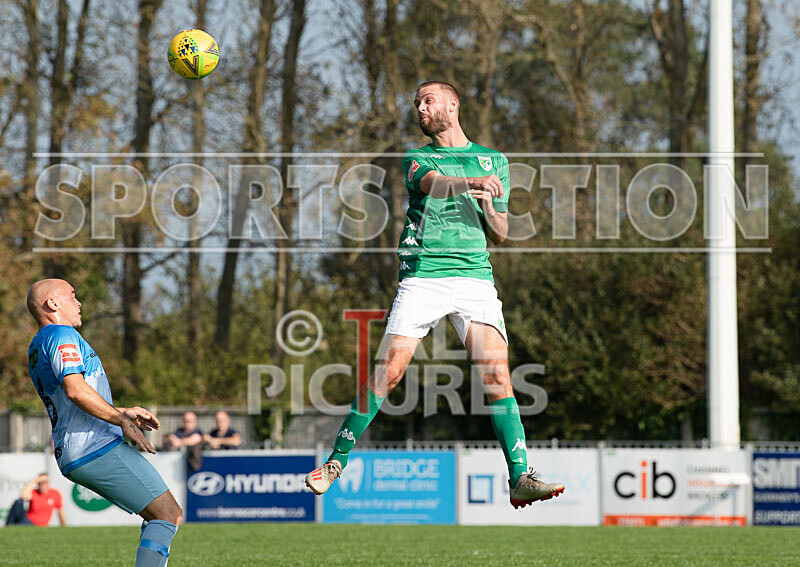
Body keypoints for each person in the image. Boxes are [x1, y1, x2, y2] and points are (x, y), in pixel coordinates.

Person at [305, 81, 565, 509]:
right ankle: (335, 462)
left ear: (452, 104)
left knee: (498, 377)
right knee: (388, 373)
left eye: (428, 101)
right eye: (417, 104)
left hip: (475, 278)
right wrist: (472, 183)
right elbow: (436, 184)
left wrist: (487, 204)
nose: (421, 108)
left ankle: (520, 477)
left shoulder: (494, 160)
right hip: (424, 275)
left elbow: (500, 233)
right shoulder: (417, 158)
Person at [26, 279, 181, 566]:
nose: (79, 302)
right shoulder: (61, 334)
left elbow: (71, 397)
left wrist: (122, 410)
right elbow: (75, 390)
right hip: (94, 446)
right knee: (167, 514)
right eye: (72, 295)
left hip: (77, 449)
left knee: (159, 515)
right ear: (52, 303)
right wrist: (119, 418)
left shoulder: (38, 345)